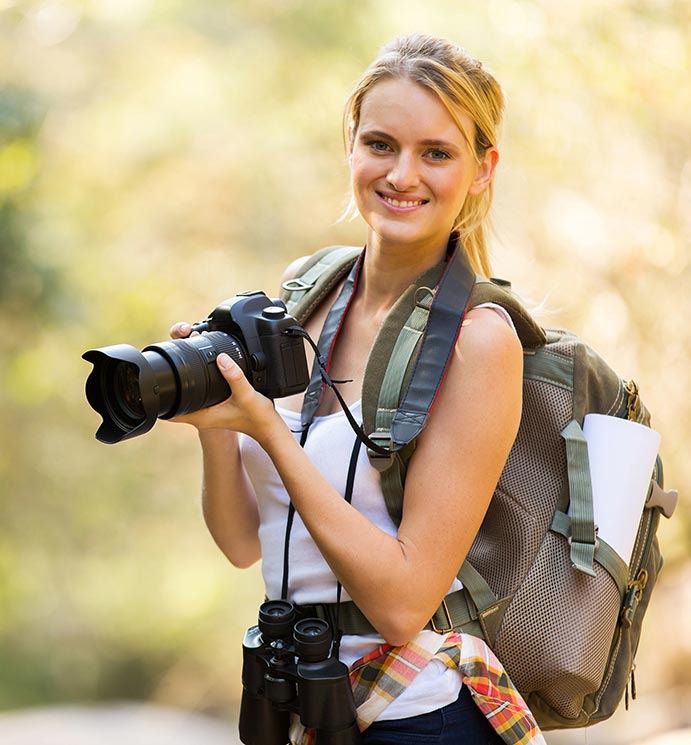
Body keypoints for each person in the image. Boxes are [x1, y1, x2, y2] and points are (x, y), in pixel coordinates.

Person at [169, 33, 544, 745]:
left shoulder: (476, 339)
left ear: (481, 169)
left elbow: (403, 605)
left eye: (435, 152)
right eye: (380, 143)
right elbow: (246, 542)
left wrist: (268, 429)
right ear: (350, 146)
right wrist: (216, 422)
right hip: (302, 701)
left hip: (417, 715)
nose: (402, 173)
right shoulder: (306, 296)